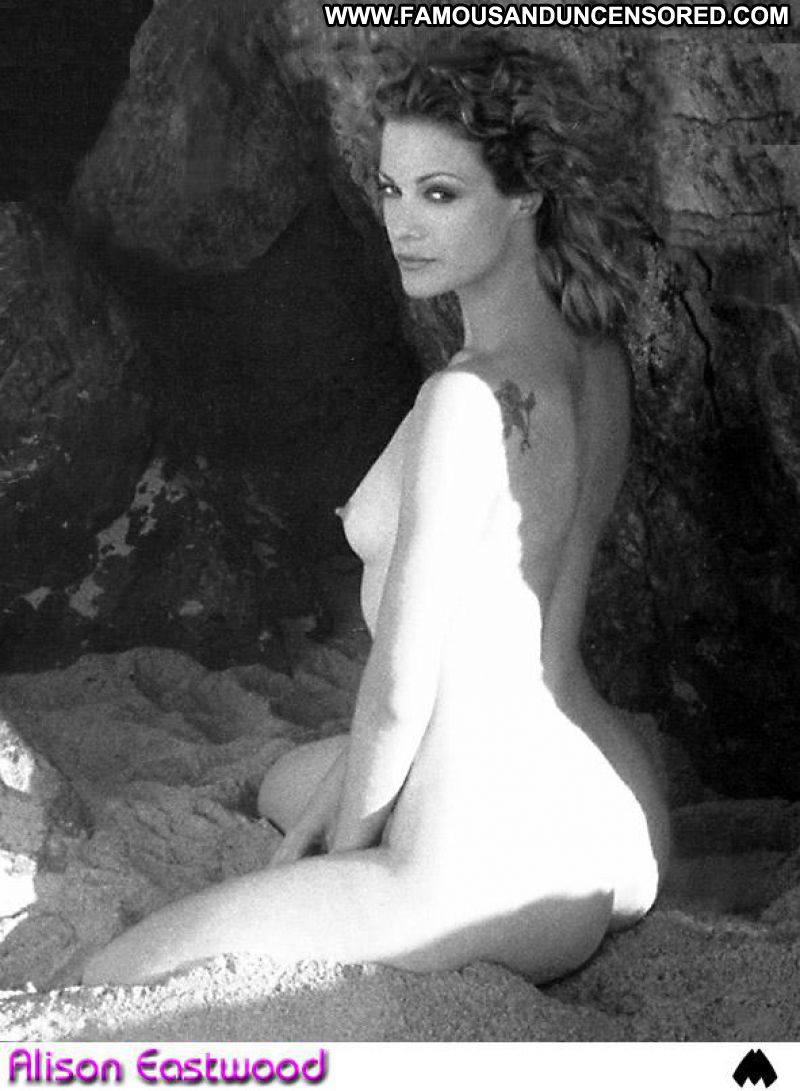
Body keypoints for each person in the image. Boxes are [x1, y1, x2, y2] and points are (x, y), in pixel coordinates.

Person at [82, 33, 670, 988]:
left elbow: (399, 691)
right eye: (392, 190)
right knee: (288, 780)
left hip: (483, 854)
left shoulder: (464, 403)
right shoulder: (596, 358)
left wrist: (348, 860)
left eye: (441, 194)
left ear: (527, 195)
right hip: (612, 815)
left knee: (111, 974)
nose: (402, 223)